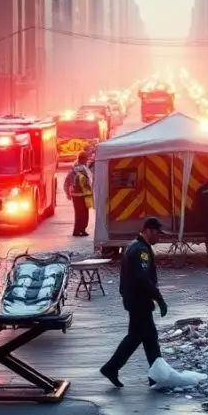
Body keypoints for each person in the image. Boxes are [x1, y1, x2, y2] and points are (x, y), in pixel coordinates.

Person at [100, 217, 168, 388]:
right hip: (140, 301)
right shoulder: (141, 250)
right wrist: (159, 298)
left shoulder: (135, 246)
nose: (159, 239)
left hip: (134, 299)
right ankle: (114, 368)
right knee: (145, 337)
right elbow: (142, 278)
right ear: (149, 231)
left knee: (143, 337)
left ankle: (152, 375)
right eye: (158, 235)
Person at [64, 152, 93, 237]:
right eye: (86, 159)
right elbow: (90, 181)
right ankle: (80, 230)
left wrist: (68, 193)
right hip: (84, 195)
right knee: (84, 213)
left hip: (76, 195)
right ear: (84, 159)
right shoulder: (85, 168)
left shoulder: (74, 169)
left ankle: (79, 230)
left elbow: (67, 182)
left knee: (79, 213)